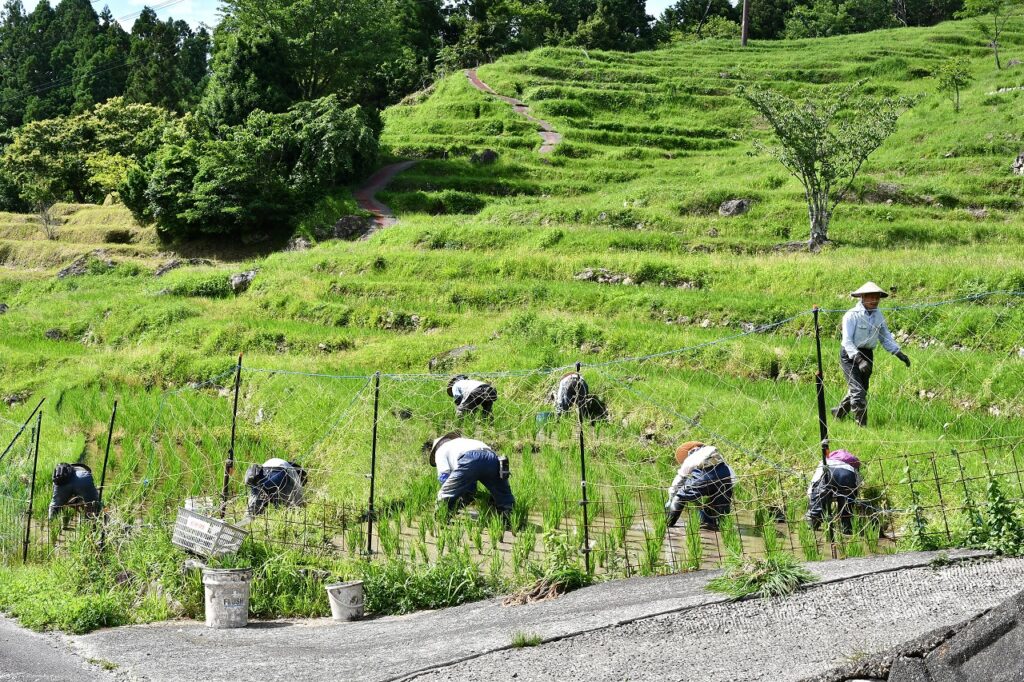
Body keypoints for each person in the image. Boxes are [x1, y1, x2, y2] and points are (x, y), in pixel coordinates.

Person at [832, 281, 911, 427]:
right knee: (857, 391)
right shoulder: (851, 315)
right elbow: (847, 341)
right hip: (850, 354)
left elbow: (885, 337)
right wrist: (859, 359)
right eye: (871, 297)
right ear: (862, 297)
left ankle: (839, 412)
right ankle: (861, 426)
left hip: (867, 353)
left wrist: (899, 353)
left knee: (862, 389)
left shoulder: (878, 316)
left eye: (877, 297)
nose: (874, 301)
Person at [425, 431, 514, 522]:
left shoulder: (440, 450)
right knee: (502, 492)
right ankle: (508, 516)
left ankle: (441, 515)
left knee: (446, 492)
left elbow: (444, 476)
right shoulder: (465, 442)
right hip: (492, 457)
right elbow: (471, 475)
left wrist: (453, 494)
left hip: (470, 459)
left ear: (437, 447)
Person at [664, 441, 735, 531]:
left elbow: (680, 477)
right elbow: (731, 473)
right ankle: (723, 528)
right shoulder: (714, 452)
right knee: (722, 504)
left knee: (681, 497)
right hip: (725, 476)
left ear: (691, 450)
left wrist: (672, 495)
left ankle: (668, 524)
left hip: (705, 474)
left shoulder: (693, 457)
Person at [805, 449, 862, 534]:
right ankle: (846, 529)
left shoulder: (825, 463)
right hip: (848, 475)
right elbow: (857, 485)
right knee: (846, 509)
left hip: (828, 472)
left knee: (816, 509)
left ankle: (812, 527)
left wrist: (813, 498)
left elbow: (815, 483)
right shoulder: (853, 466)